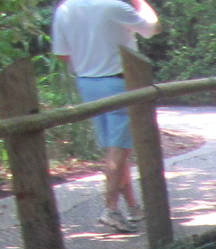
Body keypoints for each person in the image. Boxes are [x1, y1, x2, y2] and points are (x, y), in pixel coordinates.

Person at [51, 0, 161, 234]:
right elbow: (152, 29)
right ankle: (110, 209)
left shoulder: (65, 9)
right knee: (119, 149)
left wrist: (89, 60)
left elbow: (62, 54)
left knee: (117, 148)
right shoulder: (114, 7)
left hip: (87, 83)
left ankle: (133, 207)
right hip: (118, 82)